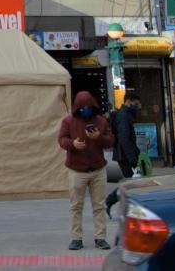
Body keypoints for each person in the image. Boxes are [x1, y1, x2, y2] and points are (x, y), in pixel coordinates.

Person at [58, 90, 115, 252]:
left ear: (93, 106)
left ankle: (100, 237)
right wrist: (72, 144)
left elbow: (110, 141)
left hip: (98, 169)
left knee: (99, 205)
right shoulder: (68, 121)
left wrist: (99, 137)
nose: (85, 110)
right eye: (82, 108)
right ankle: (76, 238)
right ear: (77, 107)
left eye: (88, 107)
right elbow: (61, 140)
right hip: (77, 170)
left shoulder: (101, 121)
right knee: (76, 206)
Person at [104, 92, 142, 219]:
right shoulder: (124, 116)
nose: (138, 107)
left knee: (130, 183)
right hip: (124, 155)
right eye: (136, 104)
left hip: (124, 154)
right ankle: (111, 201)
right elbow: (125, 139)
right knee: (131, 184)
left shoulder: (125, 115)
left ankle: (112, 201)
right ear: (128, 102)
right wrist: (132, 159)